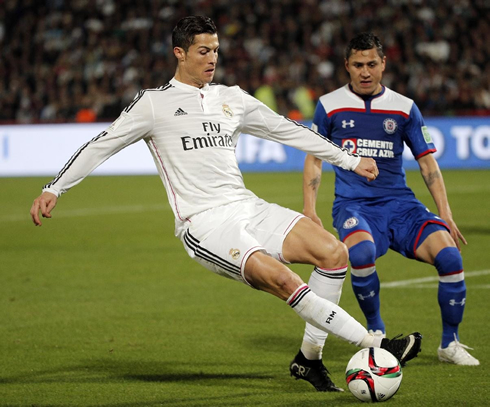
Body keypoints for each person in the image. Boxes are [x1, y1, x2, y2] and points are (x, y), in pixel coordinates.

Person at [30, 17, 422, 392]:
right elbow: (102, 144)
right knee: (285, 280)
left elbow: (286, 129)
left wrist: (349, 160)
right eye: (203, 51)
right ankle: (376, 347)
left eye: (215, 50)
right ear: (179, 54)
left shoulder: (231, 98)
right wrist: (55, 188)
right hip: (205, 224)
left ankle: (309, 359)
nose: (212, 58)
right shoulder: (153, 104)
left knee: (333, 252)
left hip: (246, 206)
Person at [302, 32, 478, 372]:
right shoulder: (329, 105)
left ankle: (449, 343)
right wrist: (310, 209)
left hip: (401, 205)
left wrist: (446, 214)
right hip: (354, 206)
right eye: (357, 65)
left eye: (371, 64)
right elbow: (314, 159)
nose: (365, 72)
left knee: (450, 257)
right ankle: (377, 330)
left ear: (383, 64)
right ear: (346, 66)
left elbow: (428, 164)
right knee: (362, 254)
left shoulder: (404, 107)